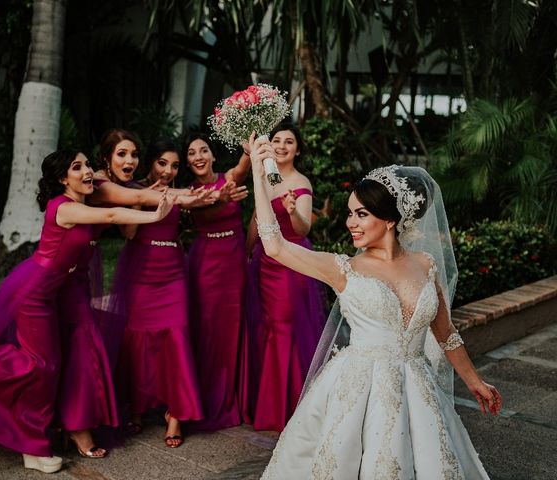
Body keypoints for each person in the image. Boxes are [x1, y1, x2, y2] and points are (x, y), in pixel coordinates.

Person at [248, 134, 503, 479]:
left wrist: (474, 381)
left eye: (361, 214)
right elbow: (275, 246)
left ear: (390, 219)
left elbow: (445, 332)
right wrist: (258, 177)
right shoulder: (342, 268)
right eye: (350, 213)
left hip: (418, 389)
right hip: (357, 389)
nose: (350, 222)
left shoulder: (426, 264)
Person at [0, 149, 173, 473]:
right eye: (76, 168)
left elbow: (110, 211)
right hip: (34, 294)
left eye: (87, 165)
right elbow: (110, 217)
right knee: (41, 366)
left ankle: (34, 441)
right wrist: (154, 216)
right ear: (62, 179)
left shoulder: (79, 205)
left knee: (47, 366)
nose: (86, 172)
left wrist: (154, 197)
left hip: (50, 292)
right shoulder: (64, 207)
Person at [111, 137, 204, 448]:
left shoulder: (176, 192)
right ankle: (137, 406)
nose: (168, 170)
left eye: (174, 165)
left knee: (177, 336)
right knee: (139, 339)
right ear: (150, 163)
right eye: (162, 163)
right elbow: (128, 233)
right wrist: (139, 200)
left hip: (173, 272)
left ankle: (176, 414)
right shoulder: (132, 189)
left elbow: (198, 199)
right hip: (141, 270)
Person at [242, 123, 327, 432]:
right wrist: (248, 252)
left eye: (289, 141)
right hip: (264, 262)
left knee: (284, 329)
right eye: (276, 140)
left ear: (298, 149)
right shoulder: (270, 176)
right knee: (267, 328)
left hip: (291, 263)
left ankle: (287, 408)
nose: (281, 146)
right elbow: (257, 217)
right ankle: (267, 401)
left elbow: (303, 228)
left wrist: (292, 210)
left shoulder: (300, 181)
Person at [184, 132, 249, 430]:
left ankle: (231, 395)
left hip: (234, 262)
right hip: (206, 263)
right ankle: (205, 399)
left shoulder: (229, 178)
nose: (198, 156)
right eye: (191, 153)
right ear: (187, 161)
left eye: (203, 150)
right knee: (208, 328)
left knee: (232, 326)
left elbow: (242, 166)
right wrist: (220, 198)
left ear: (212, 155)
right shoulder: (188, 193)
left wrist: (249, 146)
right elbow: (201, 207)